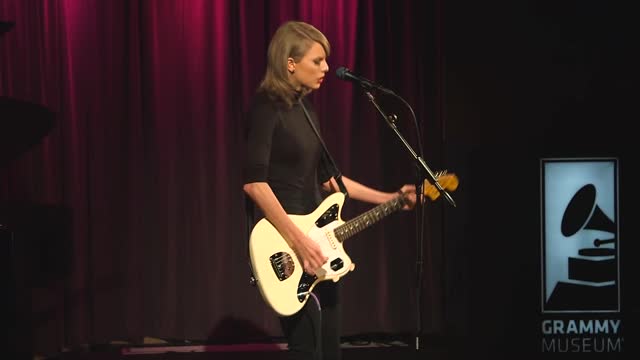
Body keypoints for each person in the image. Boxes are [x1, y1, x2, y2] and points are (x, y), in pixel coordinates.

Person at [242, 20, 417, 360]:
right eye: (317, 61)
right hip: (287, 243)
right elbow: (254, 183)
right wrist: (298, 241)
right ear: (290, 63)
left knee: (330, 346)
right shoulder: (266, 106)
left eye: (325, 61)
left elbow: (329, 180)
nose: (325, 68)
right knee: (305, 347)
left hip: (320, 242)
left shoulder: (306, 108)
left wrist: (393, 199)